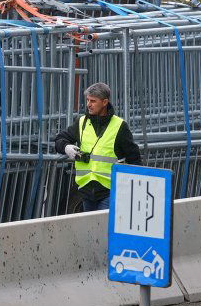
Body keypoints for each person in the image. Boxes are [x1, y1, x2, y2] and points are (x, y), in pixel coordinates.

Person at [54, 82, 142, 212]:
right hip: (86, 190)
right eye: (88, 100)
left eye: (93, 101)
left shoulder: (119, 126)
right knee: (93, 229)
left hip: (110, 191)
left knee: (102, 228)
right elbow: (59, 139)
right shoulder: (82, 122)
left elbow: (134, 159)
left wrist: (134, 189)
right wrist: (66, 147)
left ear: (105, 102)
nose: (89, 104)